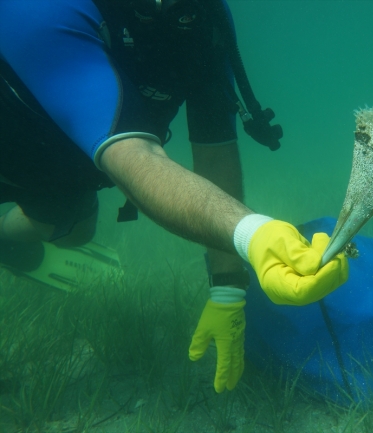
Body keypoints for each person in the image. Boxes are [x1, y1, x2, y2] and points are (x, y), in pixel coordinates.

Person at [0, 0, 348, 394]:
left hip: (66, 164)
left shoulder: (201, 18)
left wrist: (228, 286)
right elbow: (136, 156)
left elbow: (215, 149)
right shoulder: (43, 8)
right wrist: (251, 232)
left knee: (75, 230)